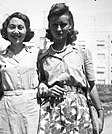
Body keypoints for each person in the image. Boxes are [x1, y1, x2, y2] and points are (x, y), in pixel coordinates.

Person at [37, 3, 104, 134]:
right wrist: (48, 90)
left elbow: (92, 85)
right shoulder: (42, 57)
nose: (59, 29)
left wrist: (100, 112)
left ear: (70, 25)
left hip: (79, 109)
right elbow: (40, 83)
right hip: (52, 110)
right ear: (49, 27)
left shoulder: (82, 53)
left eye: (63, 24)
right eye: (54, 25)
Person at [0, 12, 40, 134]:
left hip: (31, 106)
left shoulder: (36, 53)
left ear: (27, 30)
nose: (16, 31)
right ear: (6, 30)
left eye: (20, 27)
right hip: (7, 107)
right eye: (12, 27)